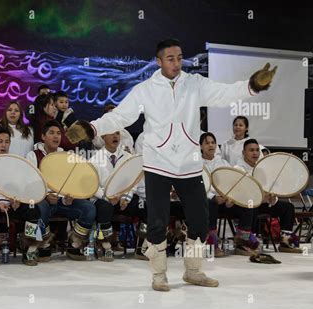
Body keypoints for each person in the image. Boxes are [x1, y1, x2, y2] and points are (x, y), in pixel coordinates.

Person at [66, 38, 277, 291]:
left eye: (179, 57)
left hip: (189, 163)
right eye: (170, 58)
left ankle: (194, 270)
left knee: (200, 218)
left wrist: (252, 86)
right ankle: (159, 274)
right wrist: (92, 128)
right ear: (158, 61)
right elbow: (121, 115)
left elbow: (225, 93)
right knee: (157, 220)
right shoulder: (145, 89)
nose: (177, 63)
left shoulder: (194, 83)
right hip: (157, 163)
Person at [26, 120, 96, 261]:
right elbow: (30, 183)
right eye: (51, 133)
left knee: (89, 209)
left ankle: (74, 243)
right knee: (40, 208)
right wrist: (46, 195)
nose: (56, 137)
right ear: (43, 136)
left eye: (58, 133)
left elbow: (71, 180)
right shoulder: (32, 156)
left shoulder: (66, 156)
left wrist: (68, 196)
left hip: (63, 201)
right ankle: (43, 244)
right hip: (43, 200)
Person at [0, 127, 48, 266]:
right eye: (0, 141)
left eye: (7, 142)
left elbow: (24, 186)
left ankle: (29, 249)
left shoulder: (17, 163)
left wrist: (20, 200)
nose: (3, 145)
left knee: (33, 209)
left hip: (14, 202)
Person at [235, 139, 301, 253]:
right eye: (251, 150)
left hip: (263, 204)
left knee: (288, 207)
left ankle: (285, 241)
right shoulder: (238, 169)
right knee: (252, 207)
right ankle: (248, 242)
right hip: (247, 205)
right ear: (243, 152)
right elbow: (240, 193)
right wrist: (259, 198)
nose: (255, 153)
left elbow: (271, 190)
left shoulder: (262, 170)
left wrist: (272, 198)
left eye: (257, 150)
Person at [89, 131, 147, 261]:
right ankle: (104, 243)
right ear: (103, 137)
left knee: (144, 205)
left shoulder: (127, 157)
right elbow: (92, 185)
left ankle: (142, 245)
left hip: (123, 198)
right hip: (103, 198)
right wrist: (106, 197)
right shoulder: (95, 159)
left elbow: (133, 180)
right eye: (111, 134)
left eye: (117, 134)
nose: (115, 137)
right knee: (104, 207)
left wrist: (127, 196)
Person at [200, 132, 254, 257]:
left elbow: (233, 182)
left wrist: (232, 198)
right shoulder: (197, 165)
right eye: (207, 143)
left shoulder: (223, 163)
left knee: (247, 205)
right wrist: (214, 197)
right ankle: (212, 244)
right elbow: (199, 188)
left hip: (226, 201)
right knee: (211, 203)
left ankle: (242, 243)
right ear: (201, 146)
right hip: (208, 202)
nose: (211, 145)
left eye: (213, 142)